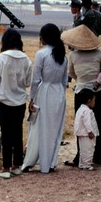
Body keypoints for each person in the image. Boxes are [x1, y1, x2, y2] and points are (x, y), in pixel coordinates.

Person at [62, 25, 101, 166]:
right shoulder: (98, 53)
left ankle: (81, 156)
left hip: (82, 91)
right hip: (100, 91)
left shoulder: (72, 55)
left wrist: (82, 79)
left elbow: (71, 73)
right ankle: (100, 155)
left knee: (82, 124)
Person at [21, 24, 68, 174]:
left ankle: (31, 160)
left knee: (39, 128)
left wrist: (32, 98)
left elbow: (35, 80)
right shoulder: (64, 56)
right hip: (59, 93)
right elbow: (64, 80)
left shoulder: (42, 54)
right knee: (54, 129)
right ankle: (50, 162)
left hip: (45, 92)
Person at [0, 28, 32, 178]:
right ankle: (17, 165)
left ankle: (6, 167)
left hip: (4, 100)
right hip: (20, 101)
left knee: (6, 133)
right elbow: (28, 82)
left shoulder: (1, 58)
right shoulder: (26, 59)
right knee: (17, 132)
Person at [74, 89, 98, 170]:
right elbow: (87, 122)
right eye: (94, 100)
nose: (95, 102)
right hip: (87, 134)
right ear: (89, 100)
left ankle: (82, 164)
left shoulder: (80, 109)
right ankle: (87, 164)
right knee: (89, 149)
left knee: (83, 150)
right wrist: (90, 132)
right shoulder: (87, 111)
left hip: (81, 133)